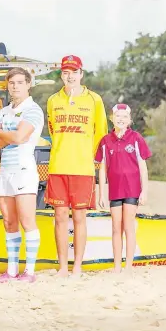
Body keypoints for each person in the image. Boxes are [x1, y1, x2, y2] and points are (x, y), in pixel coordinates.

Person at [44, 55, 108, 278]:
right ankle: (62, 267)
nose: (69, 76)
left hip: (83, 168)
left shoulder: (94, 100)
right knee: (60, 216)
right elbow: (53, 131)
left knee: (79, 217)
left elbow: (101, 135)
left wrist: (95, 164)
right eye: (65, 72)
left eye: (73, 72)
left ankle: (78, 267)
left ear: (81, 73)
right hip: (58, 166)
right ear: (61, 75)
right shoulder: (53, 100)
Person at [0, 68, 45, 283]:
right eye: (12, 82)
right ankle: (11, 271)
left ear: (28, 84)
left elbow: (20, 137)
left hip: (23, 170)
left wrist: (1, 133)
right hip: (5, 171)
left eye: (20, 82)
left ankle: (29, 271)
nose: (15, 86)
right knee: (8, 221)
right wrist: (4, 136)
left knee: (27, 220)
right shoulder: (3, 111)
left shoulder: (33, 109)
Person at [96, 103, 151, 272]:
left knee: (128, 226)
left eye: (124, 117)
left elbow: (143, 167)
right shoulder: (105, 141)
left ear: (129, 120)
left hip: (132, 190)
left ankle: (128, 266)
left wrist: (144, 190)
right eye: (117, 116)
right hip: (115, 191)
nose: (121, 119)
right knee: (115, 227)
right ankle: (117, 266)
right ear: (112, 119)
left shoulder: (136, 138)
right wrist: (101, 194)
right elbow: (102, 168)